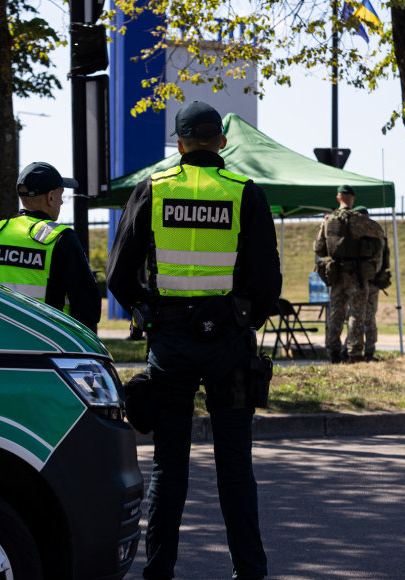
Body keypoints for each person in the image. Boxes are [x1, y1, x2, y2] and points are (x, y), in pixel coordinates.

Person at [107, 101, 280, 580]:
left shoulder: (152, 190)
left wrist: (148, 312)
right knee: (235, 466)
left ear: (179, 144)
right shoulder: (245, 193)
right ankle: (250, 570)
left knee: (168, 465)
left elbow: (118, 274)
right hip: (229, 341)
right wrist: (244, 317)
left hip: (171, 343)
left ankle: (159, 570)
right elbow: (268, 280)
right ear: (221, 142)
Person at [0, 161, 101, 332]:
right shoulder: (60, 238)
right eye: (61, 195)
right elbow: (88, 309)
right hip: (47, 341)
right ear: (51, 196)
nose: (61, 202)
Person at [314, 186, 386, 363]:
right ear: (352, 198)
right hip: (356, 275)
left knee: (336, 314)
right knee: (356, 314)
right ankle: (354, 353)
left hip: (335, 274)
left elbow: (318, 248)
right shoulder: (357, 220)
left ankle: (333, 353)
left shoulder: (328, 221)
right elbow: (379, 231)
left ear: (338, 198)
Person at [353, 205, 390, 362]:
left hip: (357, 282)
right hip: (374, 282)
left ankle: (355, 351)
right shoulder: (378, 233)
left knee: (355, 316)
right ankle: (369, 352)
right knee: (369, 318)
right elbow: (384, 261)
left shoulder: (354, 234)